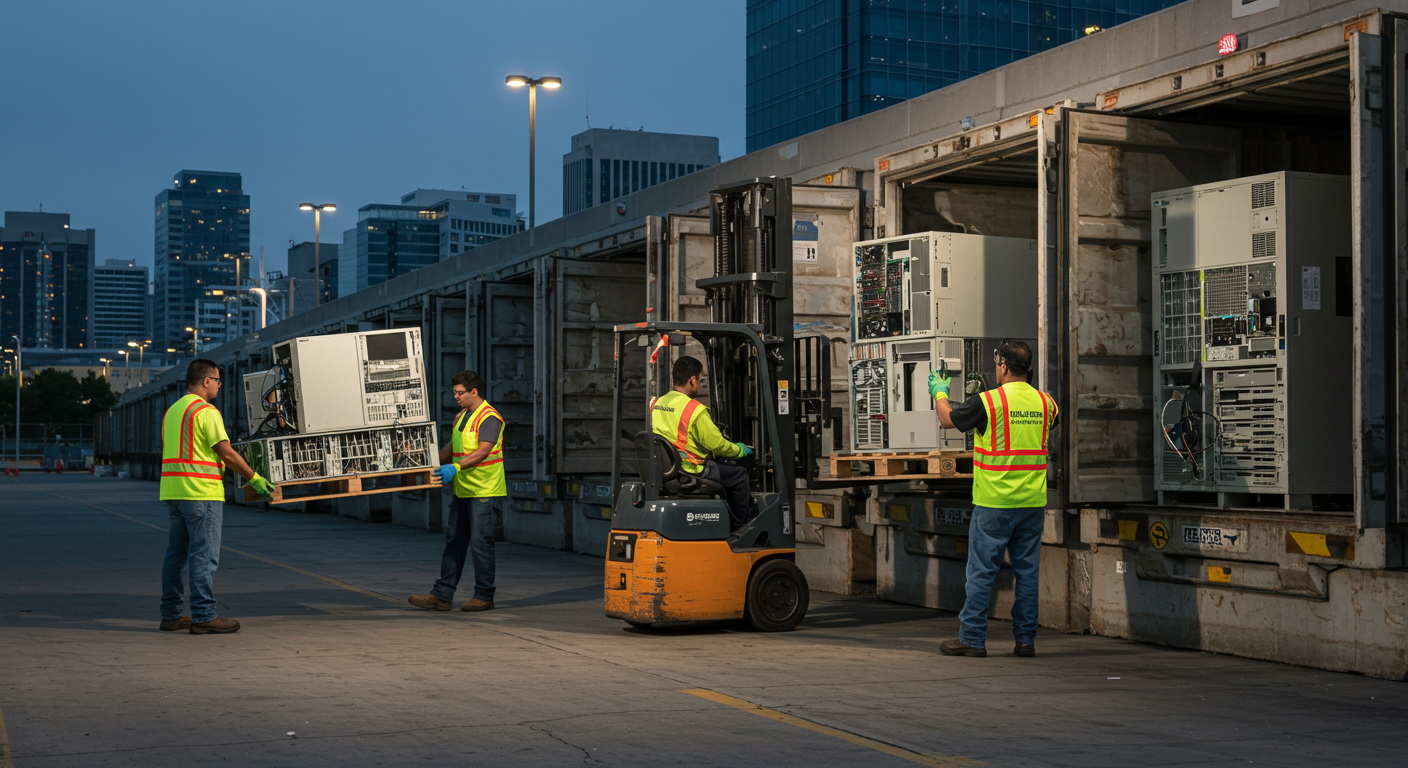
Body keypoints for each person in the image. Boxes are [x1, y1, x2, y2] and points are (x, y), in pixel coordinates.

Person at [929, 341, 1057, 658]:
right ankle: (1025, 641)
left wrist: (940, 392)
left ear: (1002, 367)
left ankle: (972, 639)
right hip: (1032, 504)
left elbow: (948, 420)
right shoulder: (1047, 403)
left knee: (981, 574)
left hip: (995, 504)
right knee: (1027, 575)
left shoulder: (988, 402)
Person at [159, 359, 273, 634]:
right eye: (218, 380)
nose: (220, 386)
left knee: (176, 556)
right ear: (206, 381)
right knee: (203, 556)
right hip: (201, 493)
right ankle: (204, 615)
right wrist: (254, 479)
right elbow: (227, 453)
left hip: (174, 492)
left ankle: (171, 615)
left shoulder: (172, 411)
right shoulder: (206, 411)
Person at [409, 370, 505, 612]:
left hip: (483, 490)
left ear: (474, 392)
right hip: (463, 490)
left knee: (481, 544)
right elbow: (453, 448)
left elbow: (483, 451)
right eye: (454, 392)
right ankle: (442, 594)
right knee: (454, 541)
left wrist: (455, 467)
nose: (455, 396)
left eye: (460, 392)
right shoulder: (463, 415)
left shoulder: (490, 418)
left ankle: (484, 596)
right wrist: (428, 462)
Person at [651, 356, 754, 528]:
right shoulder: (694, 410)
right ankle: (740, 527)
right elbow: (716, 444)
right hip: (692, 469)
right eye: (700, 379)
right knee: (739, 475)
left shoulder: (658, 403)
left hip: (666, 470)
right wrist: (739, 450)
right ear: (692, 380)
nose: (700, 383)